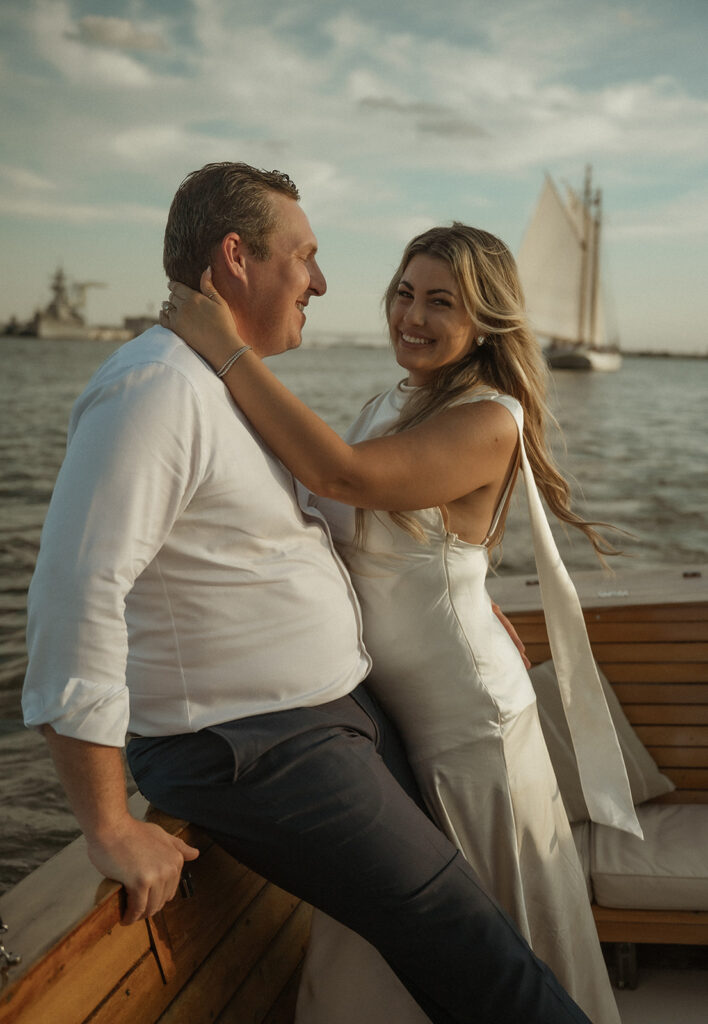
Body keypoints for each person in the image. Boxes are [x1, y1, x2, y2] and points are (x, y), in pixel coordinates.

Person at [21, 162, 594, 1024]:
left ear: (484, 321)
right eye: (308, 257)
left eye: (441, 300)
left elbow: (334, 504)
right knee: (470, 945)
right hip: (259, 740)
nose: (327, 283)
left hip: (350, 713)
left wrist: (465, 594)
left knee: (466, 935)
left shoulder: (227, 382)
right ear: (237, 257)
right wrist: (105, 823)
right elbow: (75, 592)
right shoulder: (158, 389)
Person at [161, 219, 643, 1024]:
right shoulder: (393, 398)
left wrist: (226, 347)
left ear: (485, 319)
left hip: (468, 727)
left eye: (441, 303)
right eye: (404, 294)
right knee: (405, 939)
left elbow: (340, 475)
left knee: (497, 938)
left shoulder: (490, 417)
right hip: (390, 717)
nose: (411, 317)